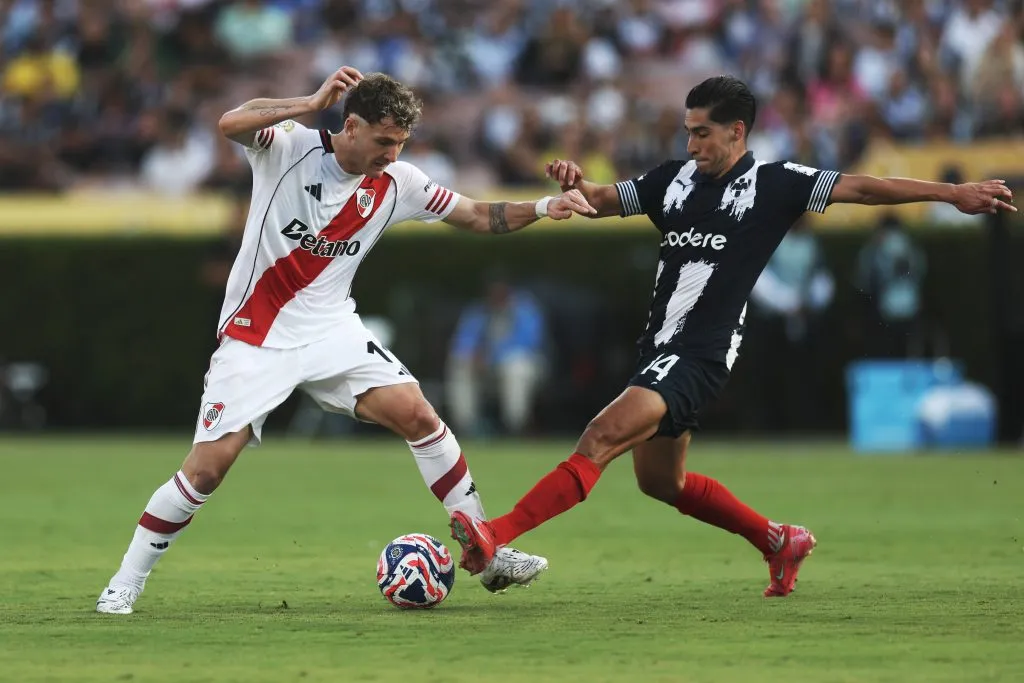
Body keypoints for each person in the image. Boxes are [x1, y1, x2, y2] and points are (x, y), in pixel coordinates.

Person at [448, 75, 1015, 598]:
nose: (692, 144)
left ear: (737, 131)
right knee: (660, 482)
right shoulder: (672, 180)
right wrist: (578, 186)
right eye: (687, 132)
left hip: (700, 353)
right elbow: (603, 201)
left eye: (702, 133)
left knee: (599, 435)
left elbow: (864, 189)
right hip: (659, 349)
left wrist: (950, 194)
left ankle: (493, 535)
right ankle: (778, 541)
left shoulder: (776, 185)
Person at [96, 67, 597, 614]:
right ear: (350, 126)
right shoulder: (286, 148)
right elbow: (230, 122)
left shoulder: (399, 182)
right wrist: (310, 100)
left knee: (420, 415)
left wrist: (546, 207)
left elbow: (478, 214)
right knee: (207, 469)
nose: (392, 153)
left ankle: (490, 547)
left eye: (400, 143)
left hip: (332, 329)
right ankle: (125, 581)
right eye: (384, 141)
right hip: (257, 337)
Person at [446, 273, 548, 437]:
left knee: (516, 367)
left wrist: (491, 356)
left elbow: (528, 343)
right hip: (486, 371)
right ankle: (466, 427)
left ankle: (515, 426)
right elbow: (462, 342)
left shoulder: (525, 310)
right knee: (460, 363)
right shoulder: (477, 311)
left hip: (523, 367)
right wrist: (472, 355)